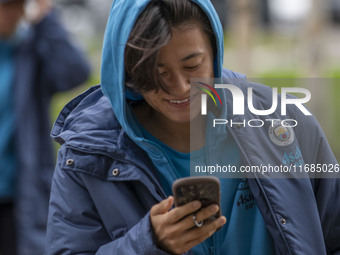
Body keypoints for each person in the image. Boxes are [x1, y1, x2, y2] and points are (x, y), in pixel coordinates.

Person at [45, 0, 340, 254]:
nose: (181, 88)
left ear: (215, 52)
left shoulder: (283, 120)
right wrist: (148, 243)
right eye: (157, 74)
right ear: (127, 73)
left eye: (193, 65)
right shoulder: (85, 155)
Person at [0, 0, 90, 254]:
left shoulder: (31, 52)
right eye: (4, 6)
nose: (9, 13)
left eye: (16, 6)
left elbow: (75, 72)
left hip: (19, 194)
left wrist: (46, 19)